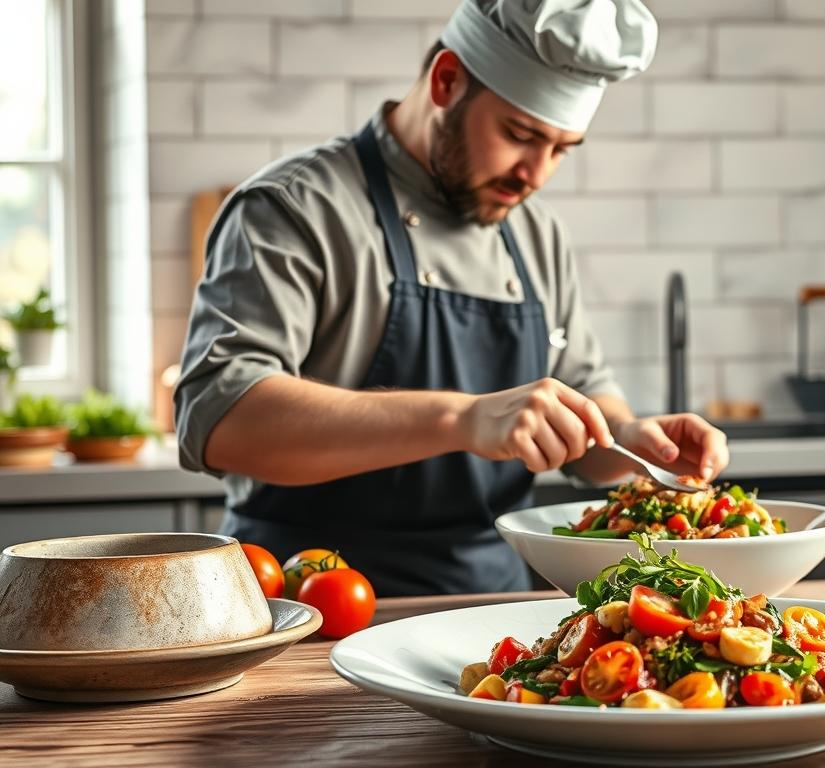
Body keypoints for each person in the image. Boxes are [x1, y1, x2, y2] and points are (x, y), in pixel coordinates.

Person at [173, 0, 727, 597]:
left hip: (489, 607)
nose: (536, 173)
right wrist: (462, 419)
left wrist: (631, 440)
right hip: (309, 599)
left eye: (561, 149)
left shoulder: (535, 233)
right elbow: (220, 417)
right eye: (519, 135)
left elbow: (585, 399)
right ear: (446, 80)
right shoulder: (295, 207)